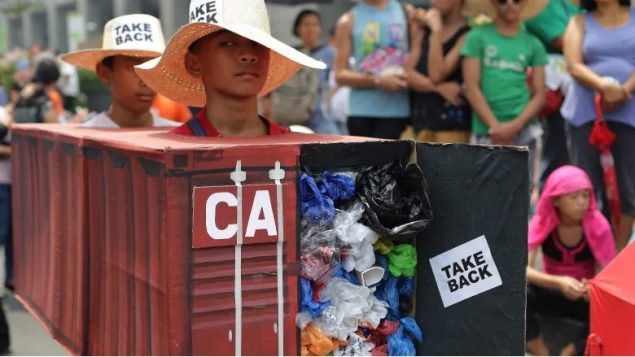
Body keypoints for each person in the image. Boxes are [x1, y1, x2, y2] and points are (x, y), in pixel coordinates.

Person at [135, 0, 325, 137]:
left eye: (257, 43)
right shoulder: (174, 151)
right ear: (193, 64)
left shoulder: (292, 150)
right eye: (227, 43)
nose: (248, 55)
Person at [562, 0, 635, 251]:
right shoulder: (579, 20)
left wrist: (624, 90)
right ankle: (592, 254)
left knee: (630, 188)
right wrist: (604, 86)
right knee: (585, 188)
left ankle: (618, 256)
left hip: (630, 113)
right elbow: (573, 64)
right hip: (585, 112)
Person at [526, 165, 616, 356]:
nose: (582, 202)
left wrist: (592, 287)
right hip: (551, 290)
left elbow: (609, 276)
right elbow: (522, 269)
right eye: (574, 197)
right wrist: (560, 282)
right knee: (518, 294)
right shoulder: (542, 222)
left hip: (583, 296)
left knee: (610, 309)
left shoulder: (599, 226)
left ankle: (571, 351)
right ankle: (540, 350)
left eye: (585, 195)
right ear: (556, 200)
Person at [462, 0, 548, 185]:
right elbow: (470, 87)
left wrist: (514, 126)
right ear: (493, 4)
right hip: (486, 130)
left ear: (523, 4)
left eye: (516, 0)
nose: (510, 4)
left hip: (525, 130)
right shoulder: (476, 37)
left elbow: (540, 94)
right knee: (483, 194)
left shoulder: (534, 43)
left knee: (523, 195)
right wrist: (495, 127)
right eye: (502, 0)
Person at [60, 14, 178, 128]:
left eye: (154, 67)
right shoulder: (85, 142)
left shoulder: (176, 139)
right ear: (103, 73)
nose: (146, 81)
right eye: (133, 68)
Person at [334, 0, 415, 139]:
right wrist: (377, 80)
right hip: (361, 113)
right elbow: (339, 74)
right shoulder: (347, 20)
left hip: (399, 112)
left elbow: (417, 52)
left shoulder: (407, 12)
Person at [525, 0, 580, 190]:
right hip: (555, 99)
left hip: (585, 98)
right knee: (558, 154)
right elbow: (567, 43)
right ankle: (548, 212)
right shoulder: (539, 6)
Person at [406, 0, 472, 143]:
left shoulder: (467, 36)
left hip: (451, 130)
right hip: (419, 125)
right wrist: (439, 89)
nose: (433, 2)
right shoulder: (423, 30)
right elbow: (407, 74)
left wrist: (437, 31)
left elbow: (437, 74)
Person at [293, 9, 339, 134]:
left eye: (314, 25)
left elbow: (340, 80)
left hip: (322, 114)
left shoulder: (331, 53)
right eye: (306, 25)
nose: (310, 29)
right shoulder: (290, 54)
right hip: (294, 111)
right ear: (298, 29)